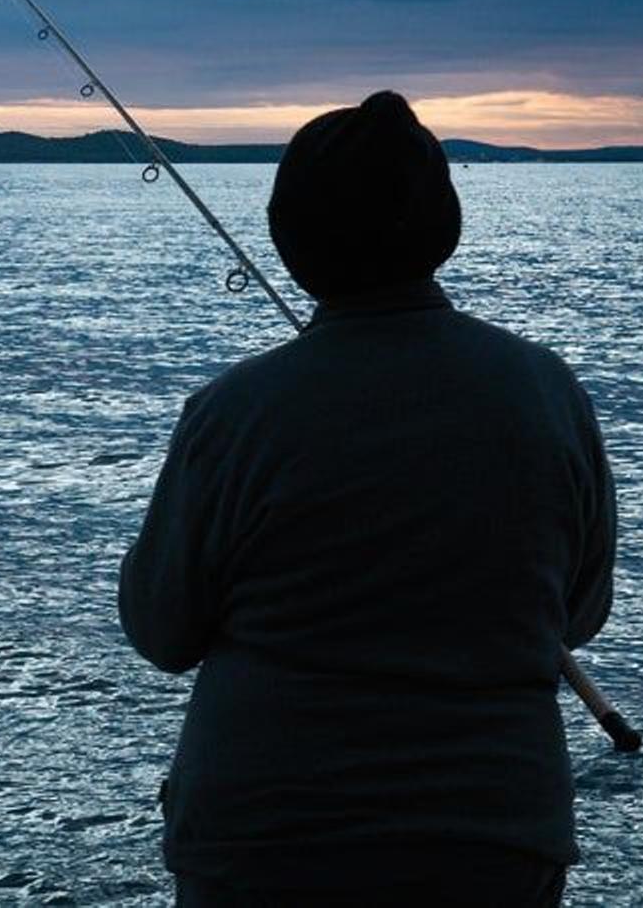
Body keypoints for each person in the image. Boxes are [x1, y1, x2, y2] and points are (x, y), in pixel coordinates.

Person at [118, 91, 616, 907]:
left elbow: (163, 630)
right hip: (493, 839)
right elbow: (580, 612)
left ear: (292, 240)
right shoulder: (548, 393)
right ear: (441, 228)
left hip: (265, 843)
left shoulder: (234, 413)